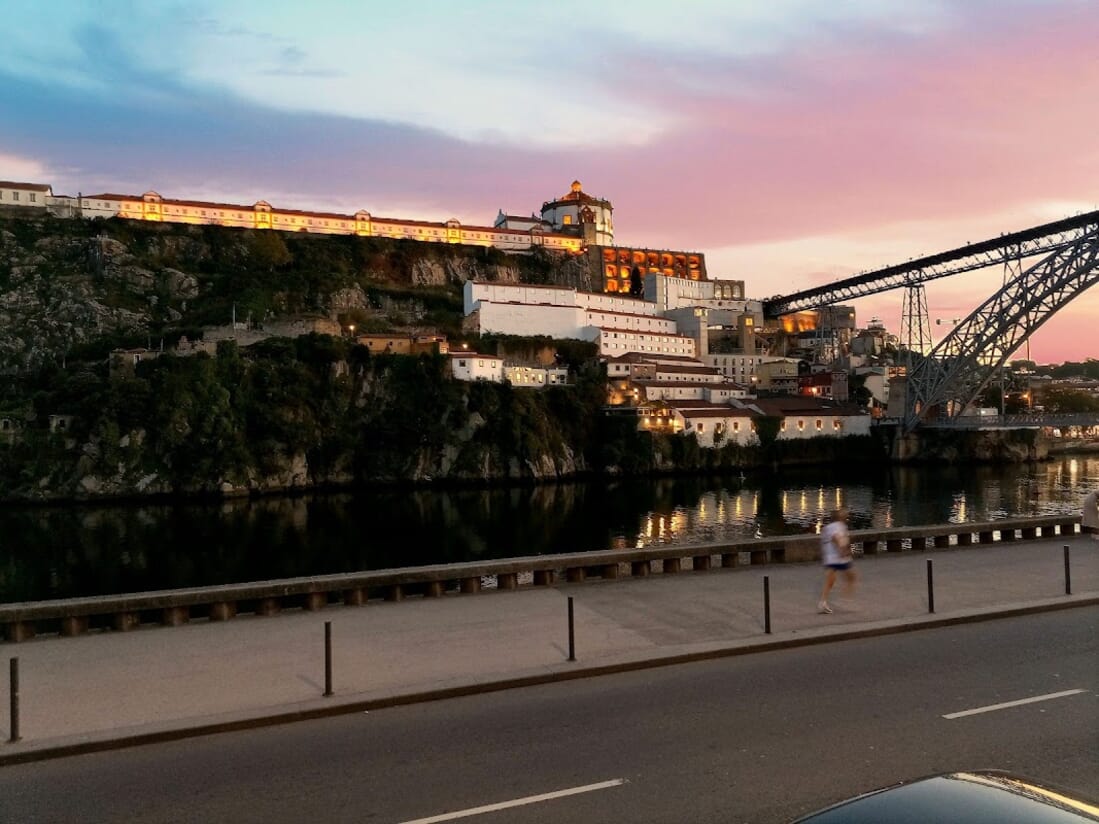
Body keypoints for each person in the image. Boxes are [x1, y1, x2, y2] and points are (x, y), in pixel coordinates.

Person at [818, 507, 857, 614]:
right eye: (843, 513)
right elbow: (836, 538)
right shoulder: (837, 526)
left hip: (831, 557)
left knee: (831, 580)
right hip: (838, 558)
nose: (846, 514)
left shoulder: (831, 527)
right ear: (839, 516)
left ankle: (825, 602)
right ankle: (844, 599)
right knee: (851, 577)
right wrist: (843, 550)